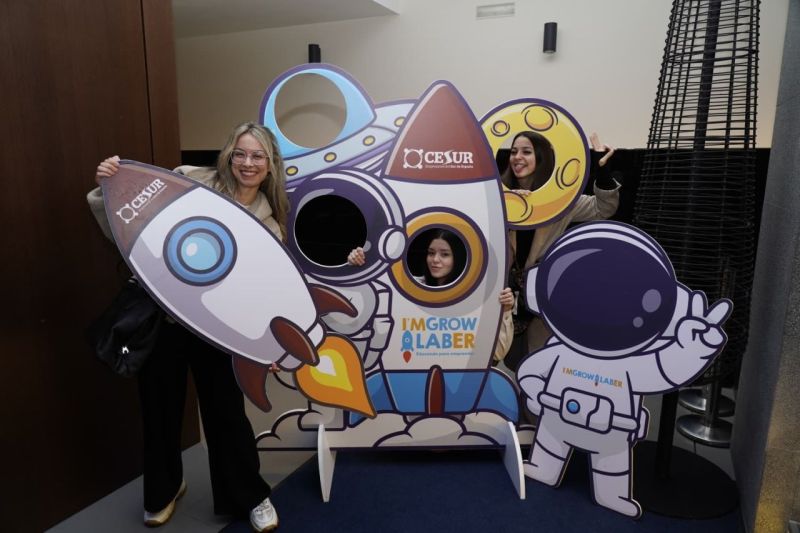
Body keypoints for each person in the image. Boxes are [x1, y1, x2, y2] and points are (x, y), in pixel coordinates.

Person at [87, 122, 286, 532]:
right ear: (228, 155)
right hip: (164, 321)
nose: (248, 163)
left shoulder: (269, 226)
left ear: (270, 165)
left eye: (258, 156)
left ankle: (249, 495)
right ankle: (163, 490)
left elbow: (264, 294)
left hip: (219, 334)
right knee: (159, 411)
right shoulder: (189, 182)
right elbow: (130, 229)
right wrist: (108, 186)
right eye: (240, 153)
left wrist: (268, 345)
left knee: (227, 416)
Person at [501, 131, 620, 372]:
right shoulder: (497, 196)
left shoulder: (560, 201)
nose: (517, 157)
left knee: (539, 367)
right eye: (513, 152)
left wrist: (602, 169)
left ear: (541, 158)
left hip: (542, 299)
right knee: (502, 364)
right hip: (502, 298)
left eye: (526, 152)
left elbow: (603, 208)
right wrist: (506, 205)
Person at [347, 229, 514, 363]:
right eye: (431, 252)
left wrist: (505, 311)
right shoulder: (411, 286)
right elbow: (375, 289)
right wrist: (357, 266)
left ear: (458, 257)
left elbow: (498, 353)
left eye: (445, 254)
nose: (435, 259)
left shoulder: (477, 296)